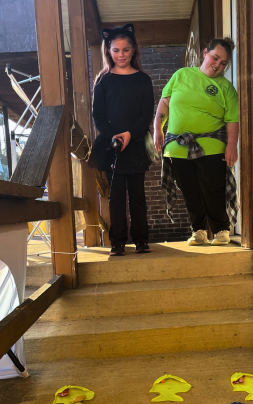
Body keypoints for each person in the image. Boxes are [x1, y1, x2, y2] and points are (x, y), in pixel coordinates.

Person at [154, 37, 239, 246]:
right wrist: (157, 128)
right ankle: (199, 231)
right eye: (215, 58)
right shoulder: (181, 75)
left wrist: (231, 145)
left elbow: (232, 120)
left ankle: (221, 230)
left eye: (223, 63)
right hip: (178, 147)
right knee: (190, 191)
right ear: (204, 53)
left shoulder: (226, 88)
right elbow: (164, 103)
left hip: (211, 146)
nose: (217, 65)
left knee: (213, 189)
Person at [92, 24, 154, 256]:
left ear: (134, 50)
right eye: (116, 50)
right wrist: (113, 137)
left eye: (126, 50)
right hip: (112, 148)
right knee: (116, 196)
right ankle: (117, 242)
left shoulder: (143, 80)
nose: (121, 55)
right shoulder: (103, 81)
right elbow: (97, 115)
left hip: (136, 145)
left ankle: (141, 240)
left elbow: (146, 114)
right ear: (108, 51)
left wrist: (130, 134)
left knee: (137, 195)